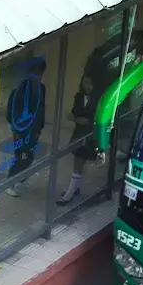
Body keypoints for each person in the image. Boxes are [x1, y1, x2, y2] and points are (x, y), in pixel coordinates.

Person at [6, 58, 47, 197]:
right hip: (21, 128)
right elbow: (12, 108)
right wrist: (15, 128)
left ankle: (20, 179)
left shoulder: (41, 88)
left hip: (33, 128)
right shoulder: (21, 88)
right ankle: (10, 182)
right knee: (21, 155)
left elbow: (41, 109)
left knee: (28, 155)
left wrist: (39, 126)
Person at [58, 74, 97, 205]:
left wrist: (87, 121)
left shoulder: (98, 99)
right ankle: (74, 188)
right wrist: (75, 119)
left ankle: (70, 193)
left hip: (90, 134)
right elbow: (73, 113)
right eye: (85, 83)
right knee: (78, 161)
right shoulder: (79, 96)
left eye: (90, 83)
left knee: (79, 162)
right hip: (78, 133)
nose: (87, 86)